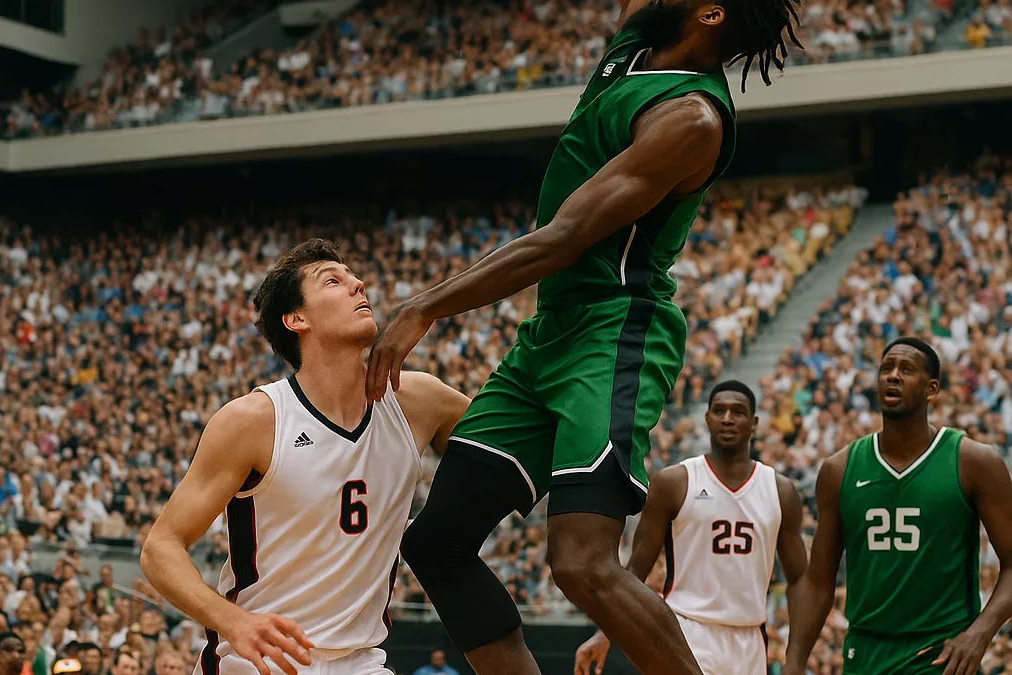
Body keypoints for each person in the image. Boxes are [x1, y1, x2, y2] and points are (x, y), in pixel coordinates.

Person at [366, 0, 802, 672]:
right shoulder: (640, 36)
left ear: (712, 13)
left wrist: (426, 305)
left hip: (615, 329)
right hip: (551, 333)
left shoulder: (692, 118)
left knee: (582, 562)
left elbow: (564, 240)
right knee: (438, 541)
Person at [141, 240, 470, 675]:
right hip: (260, 660)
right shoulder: (254, 420)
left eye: (354, 277)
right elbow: (160, 547)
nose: (359, 285)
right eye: (334, 281)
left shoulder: (421, 400)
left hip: (364, 662)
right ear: (297, 319)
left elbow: (514, 444)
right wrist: (234, 622)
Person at [783, 337, 1012, 675]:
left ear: (931, 389)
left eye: (906, 369)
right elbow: (818, 582)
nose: (893, 376)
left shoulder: (974, 461)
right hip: (865, 657)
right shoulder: (838, 469)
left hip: (941, 657)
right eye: (886, 368)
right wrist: (793, 661)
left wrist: (979, 634)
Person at [575, 381, 807, 675]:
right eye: (719, 410)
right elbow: (635, 571)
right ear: (707, 418)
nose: (726, 418)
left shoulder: (780, 491)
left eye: (737, 412)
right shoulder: (675, 482)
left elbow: (800, 579)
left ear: (754, 423)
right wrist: (605, 633)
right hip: (685, 631)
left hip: (750, 638)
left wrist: (796, 659)